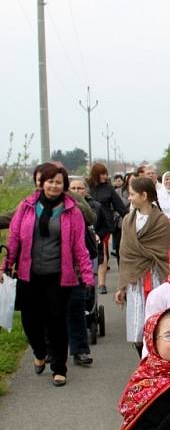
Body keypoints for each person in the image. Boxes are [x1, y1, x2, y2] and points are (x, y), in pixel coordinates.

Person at [2, 163, 94, 386]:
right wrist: (6, 265)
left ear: (64, 186)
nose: (53, 185)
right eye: (50, 181)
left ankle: (59, 368)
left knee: (56, 322)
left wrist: (88, 275)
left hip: (58, 276)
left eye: (58, 182)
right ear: (41, 183)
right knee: (30, 320)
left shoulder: (73, 211)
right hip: (28, 274)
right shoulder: (26, 207)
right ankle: (40, 351)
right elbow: (13, 238)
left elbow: (80, 247)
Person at [115, 177, 170, 355]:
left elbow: (166, 252)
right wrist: (121, 286)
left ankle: (159, 358)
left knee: (158, 320)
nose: (130, 198)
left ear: (144, 195)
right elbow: (125, 254)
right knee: (138, 326)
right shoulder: (128, 220)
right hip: (135, 279)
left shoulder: (162, 221)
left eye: (132, 194)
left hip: (156, 275)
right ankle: (143, 360)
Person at [66, 177, 108, 367]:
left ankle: (80, 348)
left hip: (85, 253)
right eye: (73, 188)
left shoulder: (90, 205)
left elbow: (96, 220)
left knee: (78, 300)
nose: (76, 191)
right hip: (58, 262)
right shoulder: (47, 204)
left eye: (79, 188)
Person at [88, 162, 129, 294]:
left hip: (104, 225)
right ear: (96, 174)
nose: (105, 176)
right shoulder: (87, 187)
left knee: (103, 250)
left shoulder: (109, 188)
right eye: (102, 174)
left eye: (106, 173)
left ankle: (101, 283)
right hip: (87, 224)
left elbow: (120, 206)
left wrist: (130, 219)